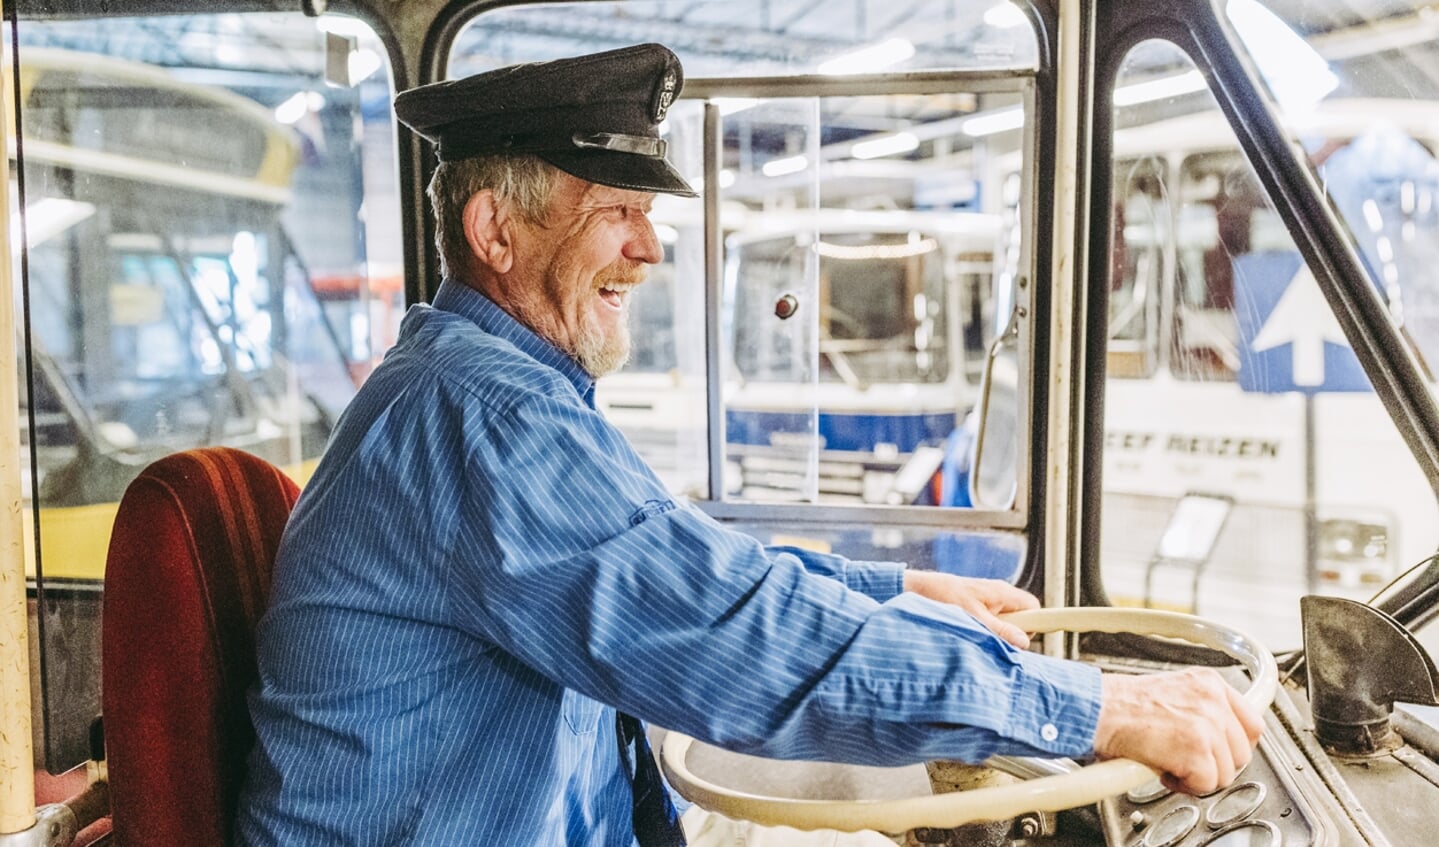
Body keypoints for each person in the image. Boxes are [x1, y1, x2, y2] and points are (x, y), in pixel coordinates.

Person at [236, 43, 1263, 846]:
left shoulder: (489, 386)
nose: (646, 249)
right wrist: (1090, 706)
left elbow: (687, 568)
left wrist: (896, 595)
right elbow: (732, 635)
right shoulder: (484, 415)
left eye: (645, 216)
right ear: (494, 233)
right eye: (616, 213)